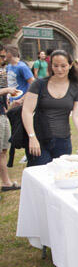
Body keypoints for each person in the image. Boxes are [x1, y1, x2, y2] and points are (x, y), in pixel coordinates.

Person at [22, 50, 78, 166]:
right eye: (55, 66)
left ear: (70, 65)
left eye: (63, 66)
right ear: (51, 65)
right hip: (39, 139)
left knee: (61, 176)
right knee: (41, 176)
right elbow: (27, 111)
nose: (59, 69)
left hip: (63, 141)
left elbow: (77, 116)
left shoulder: (77, 87)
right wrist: (32, 137)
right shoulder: (39, 84)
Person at [0, 45, 20, 191]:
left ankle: (6, 182)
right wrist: (7, 90)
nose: (3, 60)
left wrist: (6, 98)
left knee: (3, 150)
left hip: (2, 113)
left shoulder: (2, 70)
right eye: (1, 57)